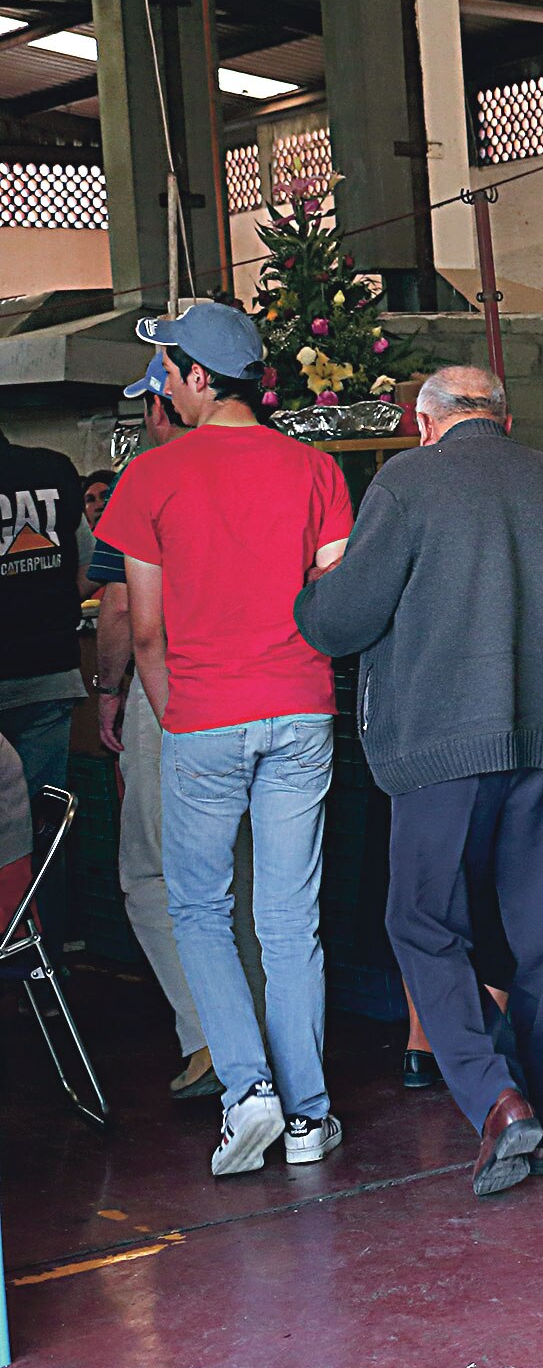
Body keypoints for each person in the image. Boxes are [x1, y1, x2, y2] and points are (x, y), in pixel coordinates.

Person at [296, 365, 543, 1198]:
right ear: (504, 422)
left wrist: (309, 595)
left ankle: (494, 1096)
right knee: (542, 938)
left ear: (424, 420)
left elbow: (343, 620)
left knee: (420, 922)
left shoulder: (406, 483)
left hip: (443, 748)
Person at [96, 303, 353, 1175]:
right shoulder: (315, 469)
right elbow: (335, 606)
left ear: (201, 377)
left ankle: (248, 1092)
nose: (164, 383)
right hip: (302, 708)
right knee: (289, 920)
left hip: (203, 710)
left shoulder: (152, 478)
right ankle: (310, 1114)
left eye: (168, 369)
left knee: (199, 907)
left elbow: (145, 633)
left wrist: (175, 717)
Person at [92, 354, 264, 1101]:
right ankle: (274, 1037)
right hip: (266, 692)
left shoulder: (147, 484)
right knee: (256, 874)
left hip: (178, 695)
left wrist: (109, 687)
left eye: (149, 409)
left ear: (173, 403)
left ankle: (214, 1043)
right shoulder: (281, 466)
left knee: (157, 873)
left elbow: (124, 609)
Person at [0, 418, 87, 957]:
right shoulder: (53, 472)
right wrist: (54, 608)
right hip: (50, 674)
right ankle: (38, 955)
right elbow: (96, 561)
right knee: (40, 830)